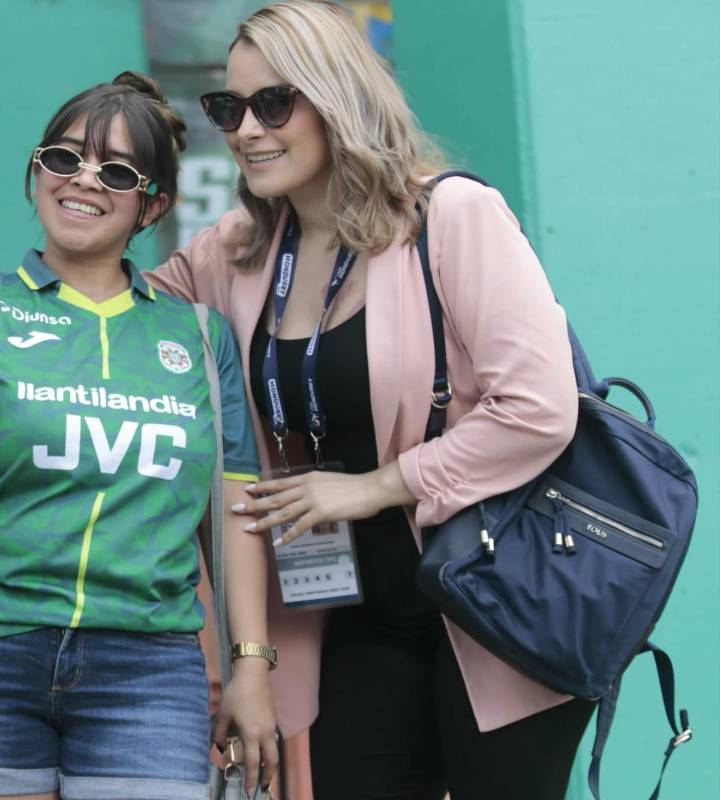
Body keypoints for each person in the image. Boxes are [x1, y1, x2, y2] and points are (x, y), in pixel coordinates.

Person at [144, 2, 596, 798]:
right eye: (227, 108)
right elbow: (113, 308)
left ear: (337, 98)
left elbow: (538, 406)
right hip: (346, 611)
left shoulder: (449, 216)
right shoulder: (238, 254)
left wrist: (373, 487)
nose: (246, 129)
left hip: (490, 598)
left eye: (273, 103)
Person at [0, 72, 279, 800]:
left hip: (145, 671)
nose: (83, 181)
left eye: (116, 171)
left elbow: (235, 511)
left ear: (153, 205)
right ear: (35, 173)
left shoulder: (198, 338)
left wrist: (252, 666)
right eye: (64, 159)